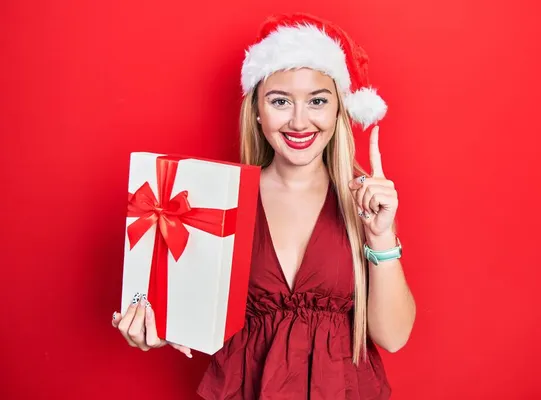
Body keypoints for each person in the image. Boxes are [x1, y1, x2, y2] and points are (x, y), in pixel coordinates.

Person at [112, 12, 416, 399]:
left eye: (317, 101)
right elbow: (184, 308)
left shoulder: (364, 203)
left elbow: (392, 338)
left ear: (339, 110)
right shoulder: (218, 202)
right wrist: (154, 328)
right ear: (257, 110)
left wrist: (382, 234)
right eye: (280, 101)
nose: (300, 121)